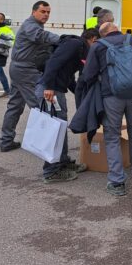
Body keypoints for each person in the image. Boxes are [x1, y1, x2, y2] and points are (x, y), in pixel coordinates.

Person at [80, 22, 132, 196]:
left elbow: (88, 75)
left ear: (102, 34)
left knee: (112, 137)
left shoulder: (98, 46)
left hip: (111, 97)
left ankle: (117, 183)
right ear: (117, 29)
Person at [36, 28, 99, 183]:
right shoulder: (75, 44)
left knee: (60, 127)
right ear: (93, 40)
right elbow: (53, 62)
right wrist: (49, 86)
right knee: (54, 130)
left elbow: (68, 75)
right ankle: (51, 172)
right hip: (51, 91)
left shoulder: (79, 48)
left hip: (56, 89)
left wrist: (79, 93)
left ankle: (63, 163)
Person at [0, 1, 60, 153]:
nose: (46, 14)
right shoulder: (31, 25)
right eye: (43, 11)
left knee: (15, 105)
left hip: (19, 69)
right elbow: (42, 36)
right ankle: (42, 144)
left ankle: (6, 141)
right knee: (40, 106)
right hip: (25, 70)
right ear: (34, 12)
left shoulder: (35, 25)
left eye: (48, 12)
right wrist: (63, 40)